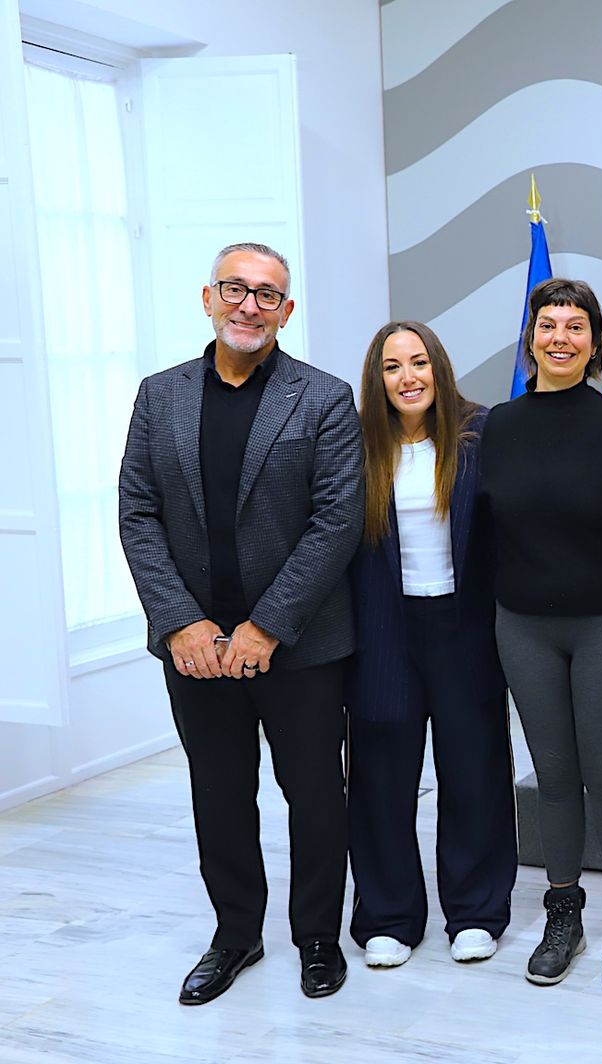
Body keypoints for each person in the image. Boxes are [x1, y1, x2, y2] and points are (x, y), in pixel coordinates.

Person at [118, 242, 362, 1003]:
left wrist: (266, 626)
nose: (249, 305)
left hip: (300, 645)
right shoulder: (159, 396)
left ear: (286, 312)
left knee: (316, 792)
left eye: (267, 295)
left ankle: (318, 938)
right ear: (208, 297)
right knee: (218, 793)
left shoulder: (322, 397)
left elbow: (336, 522)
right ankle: (235, 936)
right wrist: (181, 623)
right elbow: (137, 513)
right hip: (195, 650)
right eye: (236, 289)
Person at [478, 277, 602, 991]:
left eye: (575, 326)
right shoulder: (498, 426)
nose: (560, 337)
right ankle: (564, 916)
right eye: (548, 325)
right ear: (531, 338)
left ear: (594, 342)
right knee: (552, 778)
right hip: (523, 626)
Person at [346, 321, 518, 969]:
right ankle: (388, 915)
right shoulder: (356, 445)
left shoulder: (480, 435)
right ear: (378, 378)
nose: (408, 377)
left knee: (474, 770)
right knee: (381, 776)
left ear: (439, 367)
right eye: (392, 367)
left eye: (418, 362)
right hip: (382, 629)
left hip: (464, 627)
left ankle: (475, 911)